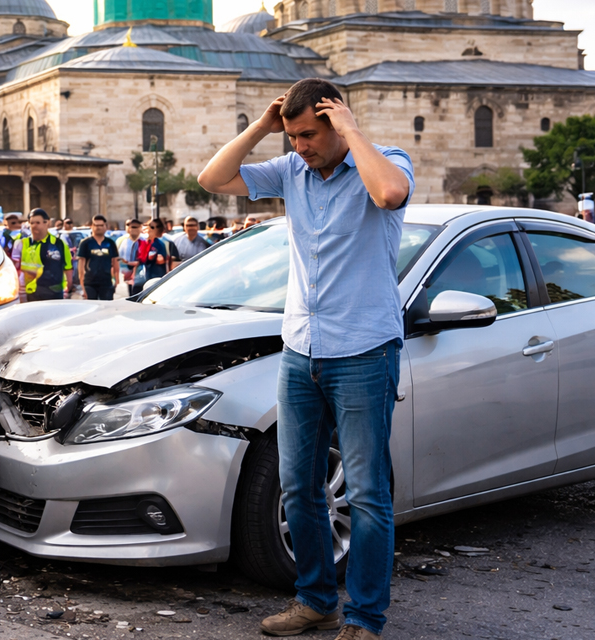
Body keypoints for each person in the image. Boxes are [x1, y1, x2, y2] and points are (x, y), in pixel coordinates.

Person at [198, 78, 413, 640]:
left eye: (310, 135)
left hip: (364, 351)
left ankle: (365, 618)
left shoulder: (383, 161)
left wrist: (351, 131)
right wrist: (261, 129)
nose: (301, 147)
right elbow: (211, 179)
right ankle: (315, 600)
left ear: (337, 121)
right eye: (293, 136)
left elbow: (389, 194)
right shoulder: (291, 170)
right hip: (300, 351)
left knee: (367, 494)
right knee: (299, 487)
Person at [13, 208, 72, 302]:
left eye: (37, 223)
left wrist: (68, 287)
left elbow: (68, 267)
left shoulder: (59, 244)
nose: (34, 226)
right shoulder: (23, 243)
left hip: (54, 293)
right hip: (30, 293)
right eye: (32, 223)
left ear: (47, 223)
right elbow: (15, 267)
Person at [77, 214, 119, 300]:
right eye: (96, 225)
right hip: (89, 283)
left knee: (107, 308)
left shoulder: (110, 243)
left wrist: (116, 280)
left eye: (101, 225)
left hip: (106, 283)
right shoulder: (85, 243)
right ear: (92, 226)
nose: (98, 228)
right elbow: (81, 265)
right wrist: (82, 285)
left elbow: (115, 261)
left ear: (105, 227)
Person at [133, 219, 177, 286]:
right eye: (148, 226)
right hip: (143, 279)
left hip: (159, 279)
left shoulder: (165, 242)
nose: (149, 229)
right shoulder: (143, 242)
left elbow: (164, 260)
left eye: (152, 227)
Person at [118, 218, 146, 295]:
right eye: (131, 227)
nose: (133, 229)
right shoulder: (124, 242)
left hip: (142, 276)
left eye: (136, 227)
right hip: (128, 276)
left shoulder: (144, 241)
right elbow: (120, 258)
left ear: (140, 228)